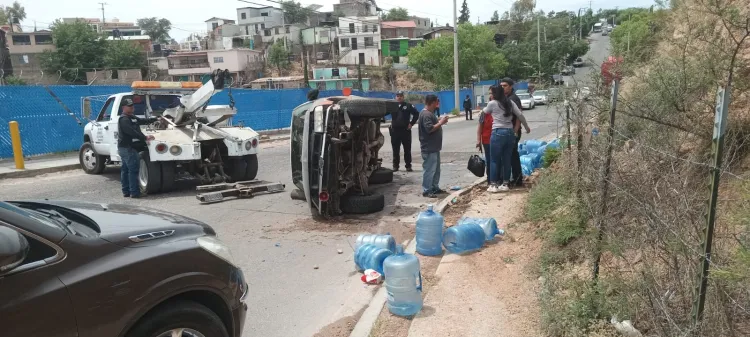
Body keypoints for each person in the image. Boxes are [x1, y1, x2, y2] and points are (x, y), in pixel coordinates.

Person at [485, 85, 530, 193]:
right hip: (510, 133)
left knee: (494, 159)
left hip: (497, 132)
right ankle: (505, 183)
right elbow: (520, 115)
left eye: (491, 93)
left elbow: (485, 112)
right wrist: (527, 127)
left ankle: (493, 184)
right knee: (507, 159)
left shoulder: (493, 103)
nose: (490, 95)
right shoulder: (510, 103)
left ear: (495, 94)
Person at [118, 97, 156, 198]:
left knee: (126, 170)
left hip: (127, 148)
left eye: (132, 106)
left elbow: (142, 121)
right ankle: (134, 192)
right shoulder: (124, 119)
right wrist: (145, 137)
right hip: (127, 148)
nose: (131, 108)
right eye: (129, 106)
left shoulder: (131, 117)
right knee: (133, 170)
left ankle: (126, 191)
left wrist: (155, 119)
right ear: (123, 107)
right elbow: (130, 132)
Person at [418, 94, 449, 198]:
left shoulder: (430, 114)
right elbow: (429, 129)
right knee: (429, 170)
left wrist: (439, 120)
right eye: (436, 102)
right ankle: (427, 190)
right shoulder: (426, 114)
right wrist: (441, 122)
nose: (437, 104)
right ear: (432, 103)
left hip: (434, 148)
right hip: (429, 148)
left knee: (436, 170)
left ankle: (434, 187)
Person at [501, 78, 525, 187]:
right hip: (507, 131)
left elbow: (519, 116)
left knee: (513, 155)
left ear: (511, 86)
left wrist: (516, 130)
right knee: (510, 155)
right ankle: (514, 178)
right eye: (501, 86)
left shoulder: (514, 98)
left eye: (505, 85)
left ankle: (517, 179)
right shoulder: (505, 98)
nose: (503, 87)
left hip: (513, 131)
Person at [389, 91, 420, 172]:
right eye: (398, 96)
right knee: (395, 150)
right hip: (395, 131)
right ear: (395, 97)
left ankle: (408, 166)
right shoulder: (392, 106)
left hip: (405, 131)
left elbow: (416, 114)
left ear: (403, 97)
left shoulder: (408, 105)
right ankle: (395, 166)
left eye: (401, 96)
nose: (399, 97)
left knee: (407, 150)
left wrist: (411, 123)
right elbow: (384, 113)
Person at [476, 88, 495, 183]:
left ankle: (498, 179)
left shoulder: (501, 109)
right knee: (489, 159)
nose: (491, 95)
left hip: (498, 139)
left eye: (493, 93)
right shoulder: (484, 112)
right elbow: (480, 126)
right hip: (487, 140)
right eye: (490, 94)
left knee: (497, 159)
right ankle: (490, 179)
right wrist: (478, 140)